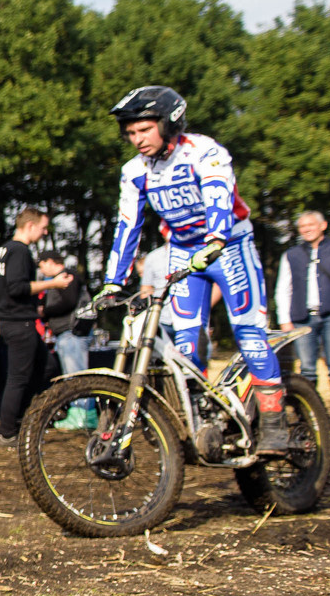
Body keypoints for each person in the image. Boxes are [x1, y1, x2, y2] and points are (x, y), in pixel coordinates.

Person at [98, 85, 290, 454]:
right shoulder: (135, 172)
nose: (136, 139)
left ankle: (273, 421)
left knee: (248, 332)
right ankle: (199, 421)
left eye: (144, 130)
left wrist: (217, 238)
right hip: (184, 253)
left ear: (168, 123)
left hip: (230, 246)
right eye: (131, 132)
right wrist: (111, 283)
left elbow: (219, 193)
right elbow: (127, 227)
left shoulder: (205, 152)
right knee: (185, 345)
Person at [0, 209, 56, 447]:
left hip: (10, 320)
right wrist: (53, 283)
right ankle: (8, 432)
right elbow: (17, 288)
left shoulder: (2, 250)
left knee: (47, 367)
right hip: (19, 322)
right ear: (30, 226)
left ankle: (25, 421)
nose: (45, 232)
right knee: (18, 378)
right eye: (43, 227)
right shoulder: (20, 251)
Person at [275, 210, 330, 427]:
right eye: (302, 227)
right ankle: (311, 415)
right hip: (302, 318)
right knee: (306, 368)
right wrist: (284, 319)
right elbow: (283, 289)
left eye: (311, 225)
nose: (306, 230)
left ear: (322, 225)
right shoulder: (291, 255)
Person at [38, 252, 95, 430]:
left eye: (41, 265)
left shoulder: (67, 277)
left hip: (73, 332)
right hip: (65, 334)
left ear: (49, 262)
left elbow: (69, 302)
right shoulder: (58, 280)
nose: (41, 269)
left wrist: (45, 311)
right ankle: (77, 413)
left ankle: (85, 416)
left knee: (78, 375)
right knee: (72, 376)